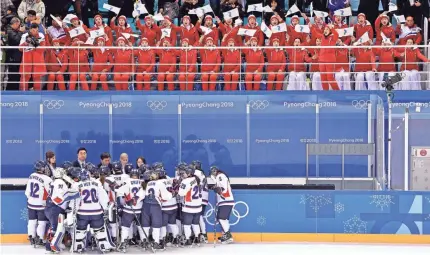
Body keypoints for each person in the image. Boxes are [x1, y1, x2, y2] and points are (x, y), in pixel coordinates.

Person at [70, 169, 115, 253]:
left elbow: (75, 200)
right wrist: (105, 207)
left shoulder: (77, 185)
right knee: (99, 230)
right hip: (96, 212)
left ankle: (79, 246)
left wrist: (73, 210)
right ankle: (103, 245)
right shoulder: (97, 183)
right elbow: (103, 197)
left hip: (82, 212)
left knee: (81, 230)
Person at [44, 167, 79, 253]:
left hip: (50, 207)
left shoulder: (54, 182)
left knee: (53, 226)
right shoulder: (60, 182)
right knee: (56, 228)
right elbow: (61, 196)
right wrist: (75, 194)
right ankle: (51, 247)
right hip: (55, 208)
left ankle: (50, 245)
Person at [141, 170, 173, 250]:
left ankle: (144, 241)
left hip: (145, 205)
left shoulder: (147, 183)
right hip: (155, 206)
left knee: (145, 224)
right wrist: (171, 195)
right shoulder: (159, 183)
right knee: (156, 225)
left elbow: (141, 195)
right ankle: (156, 242)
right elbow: (166, 196)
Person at [116, 168, 146, 252]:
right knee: (140, 226)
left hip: (128, 209)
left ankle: (123, 243)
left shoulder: (127, 181)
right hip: (139, 209)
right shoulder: (142, 182)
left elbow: (120, 193)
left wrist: (123, 201)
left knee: (125, 227)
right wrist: (136, 198)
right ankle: (144, 241)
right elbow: (143, 194)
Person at [25, 161, 52, 246]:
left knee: (31, 221)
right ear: (42, 168)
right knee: (42, 222)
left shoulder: (31, 175)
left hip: (31, 203)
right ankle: (40, 238)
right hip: (41, 204)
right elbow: (50, 192)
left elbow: (27, 192)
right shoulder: (47, 179)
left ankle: (31, 237)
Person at [19, 23, 49, 91]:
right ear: (30, 29)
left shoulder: (41, 35)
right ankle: (23, 94)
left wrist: (35, 44)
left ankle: (37, 95)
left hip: (37, 57)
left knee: (37, 77)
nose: (35, 32)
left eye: (37, 30)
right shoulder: (25, 36)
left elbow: (43, 48)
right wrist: (26, 43)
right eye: (33, 30)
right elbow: (20, 49)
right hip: (27, 57)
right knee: (24, 76)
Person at [177, 166, 202, 246]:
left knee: (187, 225)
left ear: (189, 173)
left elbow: (181, 193)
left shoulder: (185, 181)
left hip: (189, 206)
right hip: (198, 206)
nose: (183, 174)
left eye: (185, 173)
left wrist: (179, 186)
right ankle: (197, 238)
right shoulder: (197, 179)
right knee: (195, 224)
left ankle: (188, 239)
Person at [208, 166, 234, 244]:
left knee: (221, 218)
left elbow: (223, 188)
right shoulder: (220, 176)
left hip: (225, 200)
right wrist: (215, 187)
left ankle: (228, 235)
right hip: (225, 200)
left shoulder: (220, 176)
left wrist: (218, 189)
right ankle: (226, 234)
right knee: (223, 219)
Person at [311, 24, 340, 90]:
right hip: (321, 60)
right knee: (323, 78)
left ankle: (338, 93)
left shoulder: (333, 38)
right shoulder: (322, 37)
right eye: (325, 29)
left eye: (327, 29)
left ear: (330, 31)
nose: (325, 30)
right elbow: (314, 33)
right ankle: (325, 93)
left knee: (330, 77)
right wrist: (309, 24)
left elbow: (337, 35)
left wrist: (332, 28)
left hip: (330, 60)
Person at [156, 166, 179, 247]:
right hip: (174, 204)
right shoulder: (168, 179)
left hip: (165, 206)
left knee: (163, 224)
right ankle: (176, 239)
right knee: (172, 223)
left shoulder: (158, 182)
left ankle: (162, 239)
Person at [190, 160, 208, 243]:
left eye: (193, 165)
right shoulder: (202, 173)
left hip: (199, 197)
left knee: (199, 216)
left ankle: (203, 234)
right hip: (203, 197)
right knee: (199, 216)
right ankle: (202, 234)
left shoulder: (196, 172)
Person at [6, 17, 25, 90]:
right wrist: (21, 32)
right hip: (12, 58)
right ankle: (10, 92)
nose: (19, 26)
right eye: (19, 25)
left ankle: (15, 91)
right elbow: (16, 40)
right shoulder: (9, 30)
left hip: (16, 57)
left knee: (16, 76)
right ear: (15, 23)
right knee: (13, 76)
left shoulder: (14, 30)